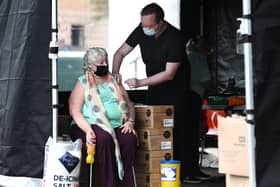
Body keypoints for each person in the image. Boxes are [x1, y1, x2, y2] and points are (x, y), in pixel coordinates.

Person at [112, 2, 208, 184]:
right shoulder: (141, 30)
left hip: (177, 92)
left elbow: (169, 73)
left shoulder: (176, 38)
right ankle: (154, 171)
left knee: (178, 132)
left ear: (160, 23)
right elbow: (119, 53)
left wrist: (140, 82)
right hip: (154, 92)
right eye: (143, 25)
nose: (145, 29)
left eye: (149, 26)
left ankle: (184, 172)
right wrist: (115, 75)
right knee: (153, 130)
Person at [69, 47, 137, 187]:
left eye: (106, 61)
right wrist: (88, 131)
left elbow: (129, 104)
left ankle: (126, 184)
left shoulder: (114, 81)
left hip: (116, 125)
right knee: (103, 137)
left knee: (129, 137)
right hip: (88, 124)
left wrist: (130, 121)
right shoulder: (82, 82)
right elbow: (75, 112)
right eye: (101, 63)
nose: (105, 65)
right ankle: (109, 183)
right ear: (91, 66)